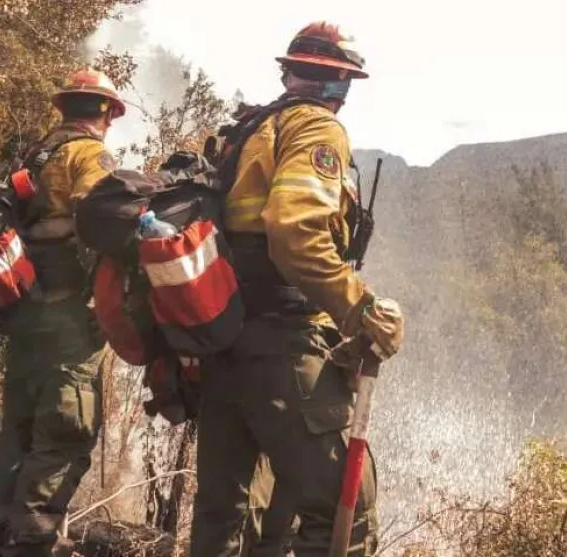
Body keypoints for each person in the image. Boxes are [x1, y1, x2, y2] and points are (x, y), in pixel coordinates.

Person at [189, 21, 405, 557]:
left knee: (228, 516)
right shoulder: (315, 129)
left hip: (225, 342)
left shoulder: (248, 131)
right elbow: (295, 232)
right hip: (284, 342)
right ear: (338, 82)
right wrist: (360, 308)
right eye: (346, 82)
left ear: (291, 71)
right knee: (341, 513)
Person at [0, 68, 124, 557]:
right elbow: (100, 216)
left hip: (27, 313)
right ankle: (33, 540)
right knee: (66, 426)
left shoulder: (35, 156)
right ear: (106, 113)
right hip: (68, 315)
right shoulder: (89, 153)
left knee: (18, 425)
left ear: (63, 108)